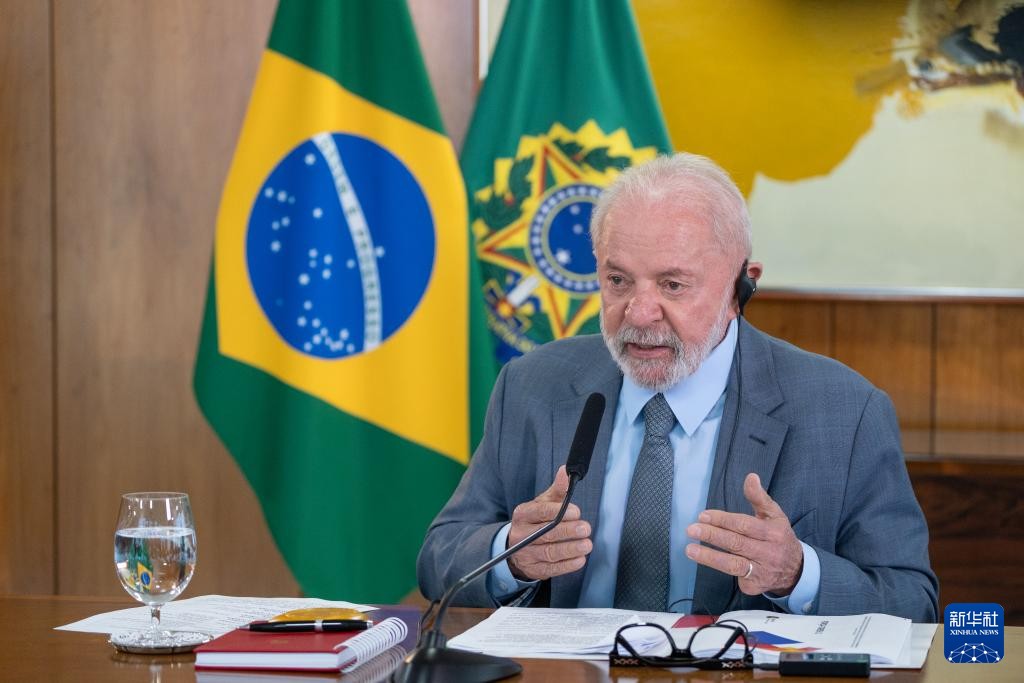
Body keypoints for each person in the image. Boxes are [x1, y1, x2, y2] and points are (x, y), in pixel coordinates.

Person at [417, 153, 938, 622]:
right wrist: (511, 554)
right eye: (618, 281)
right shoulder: (532, 385)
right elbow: (439, 560)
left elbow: (912, 600)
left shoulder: (845, 410)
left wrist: (797, 573)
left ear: (741, 287)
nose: (639, 314)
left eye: (673, 285)